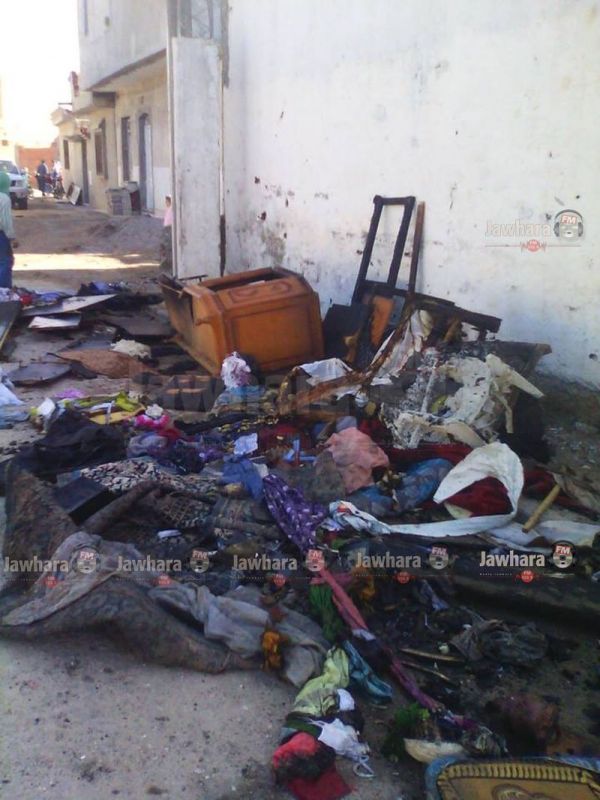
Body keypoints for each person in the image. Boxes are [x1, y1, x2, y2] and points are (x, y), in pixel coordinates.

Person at [0, 171, 17, 288]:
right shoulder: (3, 198)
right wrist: (12, 237)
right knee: (5, 261)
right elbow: (5, 221)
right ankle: (3, 291)